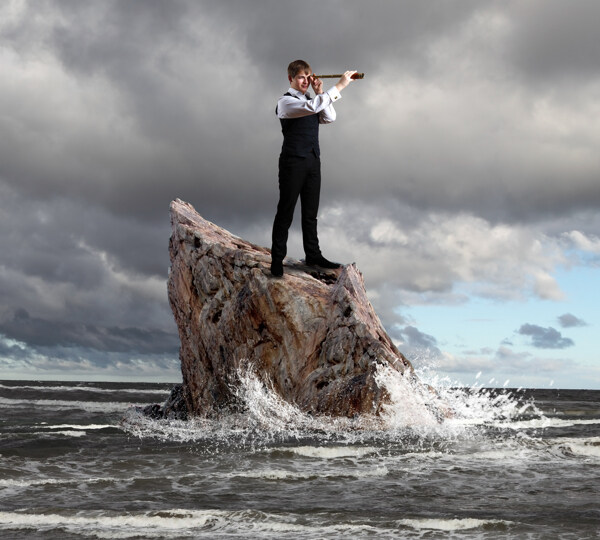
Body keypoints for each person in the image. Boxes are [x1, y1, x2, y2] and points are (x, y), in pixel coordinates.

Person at [270, 60, 356, 277]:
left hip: (312, 160)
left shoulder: (313, 99)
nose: (305, 82)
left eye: (308, 78)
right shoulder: (285, 102)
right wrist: (339, 86)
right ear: (290, 79)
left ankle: (313, 255)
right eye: (301, 77)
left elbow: (329, 117)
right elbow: (312, 107)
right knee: (286, 211)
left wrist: (320, 92)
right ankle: (277, 259)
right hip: (292, 162)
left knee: (310, 214)